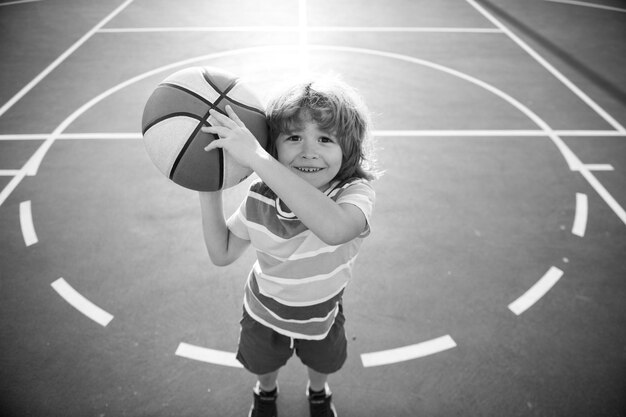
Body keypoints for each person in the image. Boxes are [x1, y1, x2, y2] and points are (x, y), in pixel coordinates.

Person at [198, 75, 379, 417]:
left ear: (348, 149)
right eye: (294, 137)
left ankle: (318, 390)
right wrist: (207, 184)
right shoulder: (259, 200)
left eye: (325, 139)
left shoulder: (354, 195)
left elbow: (334, 229)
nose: (308, 151)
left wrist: (256, 159)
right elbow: (221, 253)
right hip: (265, 309)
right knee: (264, 365)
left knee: (321, 361)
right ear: (274, 146)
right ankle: (266, 393)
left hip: (321, 311)